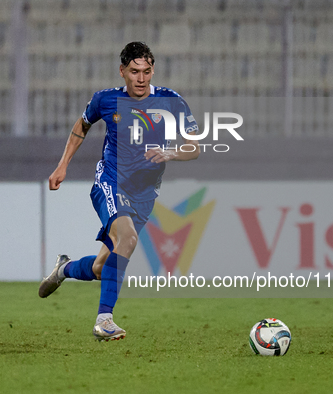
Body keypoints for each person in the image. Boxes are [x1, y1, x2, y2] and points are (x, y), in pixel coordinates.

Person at [39, 41, 200, 341]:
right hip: (111, 183)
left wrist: (171, 153)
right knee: (127, 237)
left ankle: (64, 269)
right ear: (122, 71)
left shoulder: (171, 101)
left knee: (102, 267)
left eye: (147, 71)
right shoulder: (106, 100)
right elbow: (82, 125)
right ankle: (104, 321)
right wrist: (63, 165)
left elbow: (194, 147)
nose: (141, 79)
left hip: (144, 195)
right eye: (135, 72)